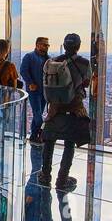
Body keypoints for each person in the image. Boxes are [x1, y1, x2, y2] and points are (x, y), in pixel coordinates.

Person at [38, 33, 91, 190]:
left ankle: (45, 174)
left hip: (54, 109)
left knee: (49, 142)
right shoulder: (84, 63)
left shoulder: (54, 61)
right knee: (69, 145)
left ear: (64, 45)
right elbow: (86, 83)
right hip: (73, 108)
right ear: (78, 46)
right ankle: (62, 179)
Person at [21, 36, 49, 143]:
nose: (47, 47)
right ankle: (41, 132)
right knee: (37, 114)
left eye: (48, 45)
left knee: (39, 113)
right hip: (34, 91)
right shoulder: (29, 56)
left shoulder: (48, 58)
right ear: (38, 45)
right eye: (45, 45)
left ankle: (33, 135)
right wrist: (30, 83)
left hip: (44, 92)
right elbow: (23, 70)